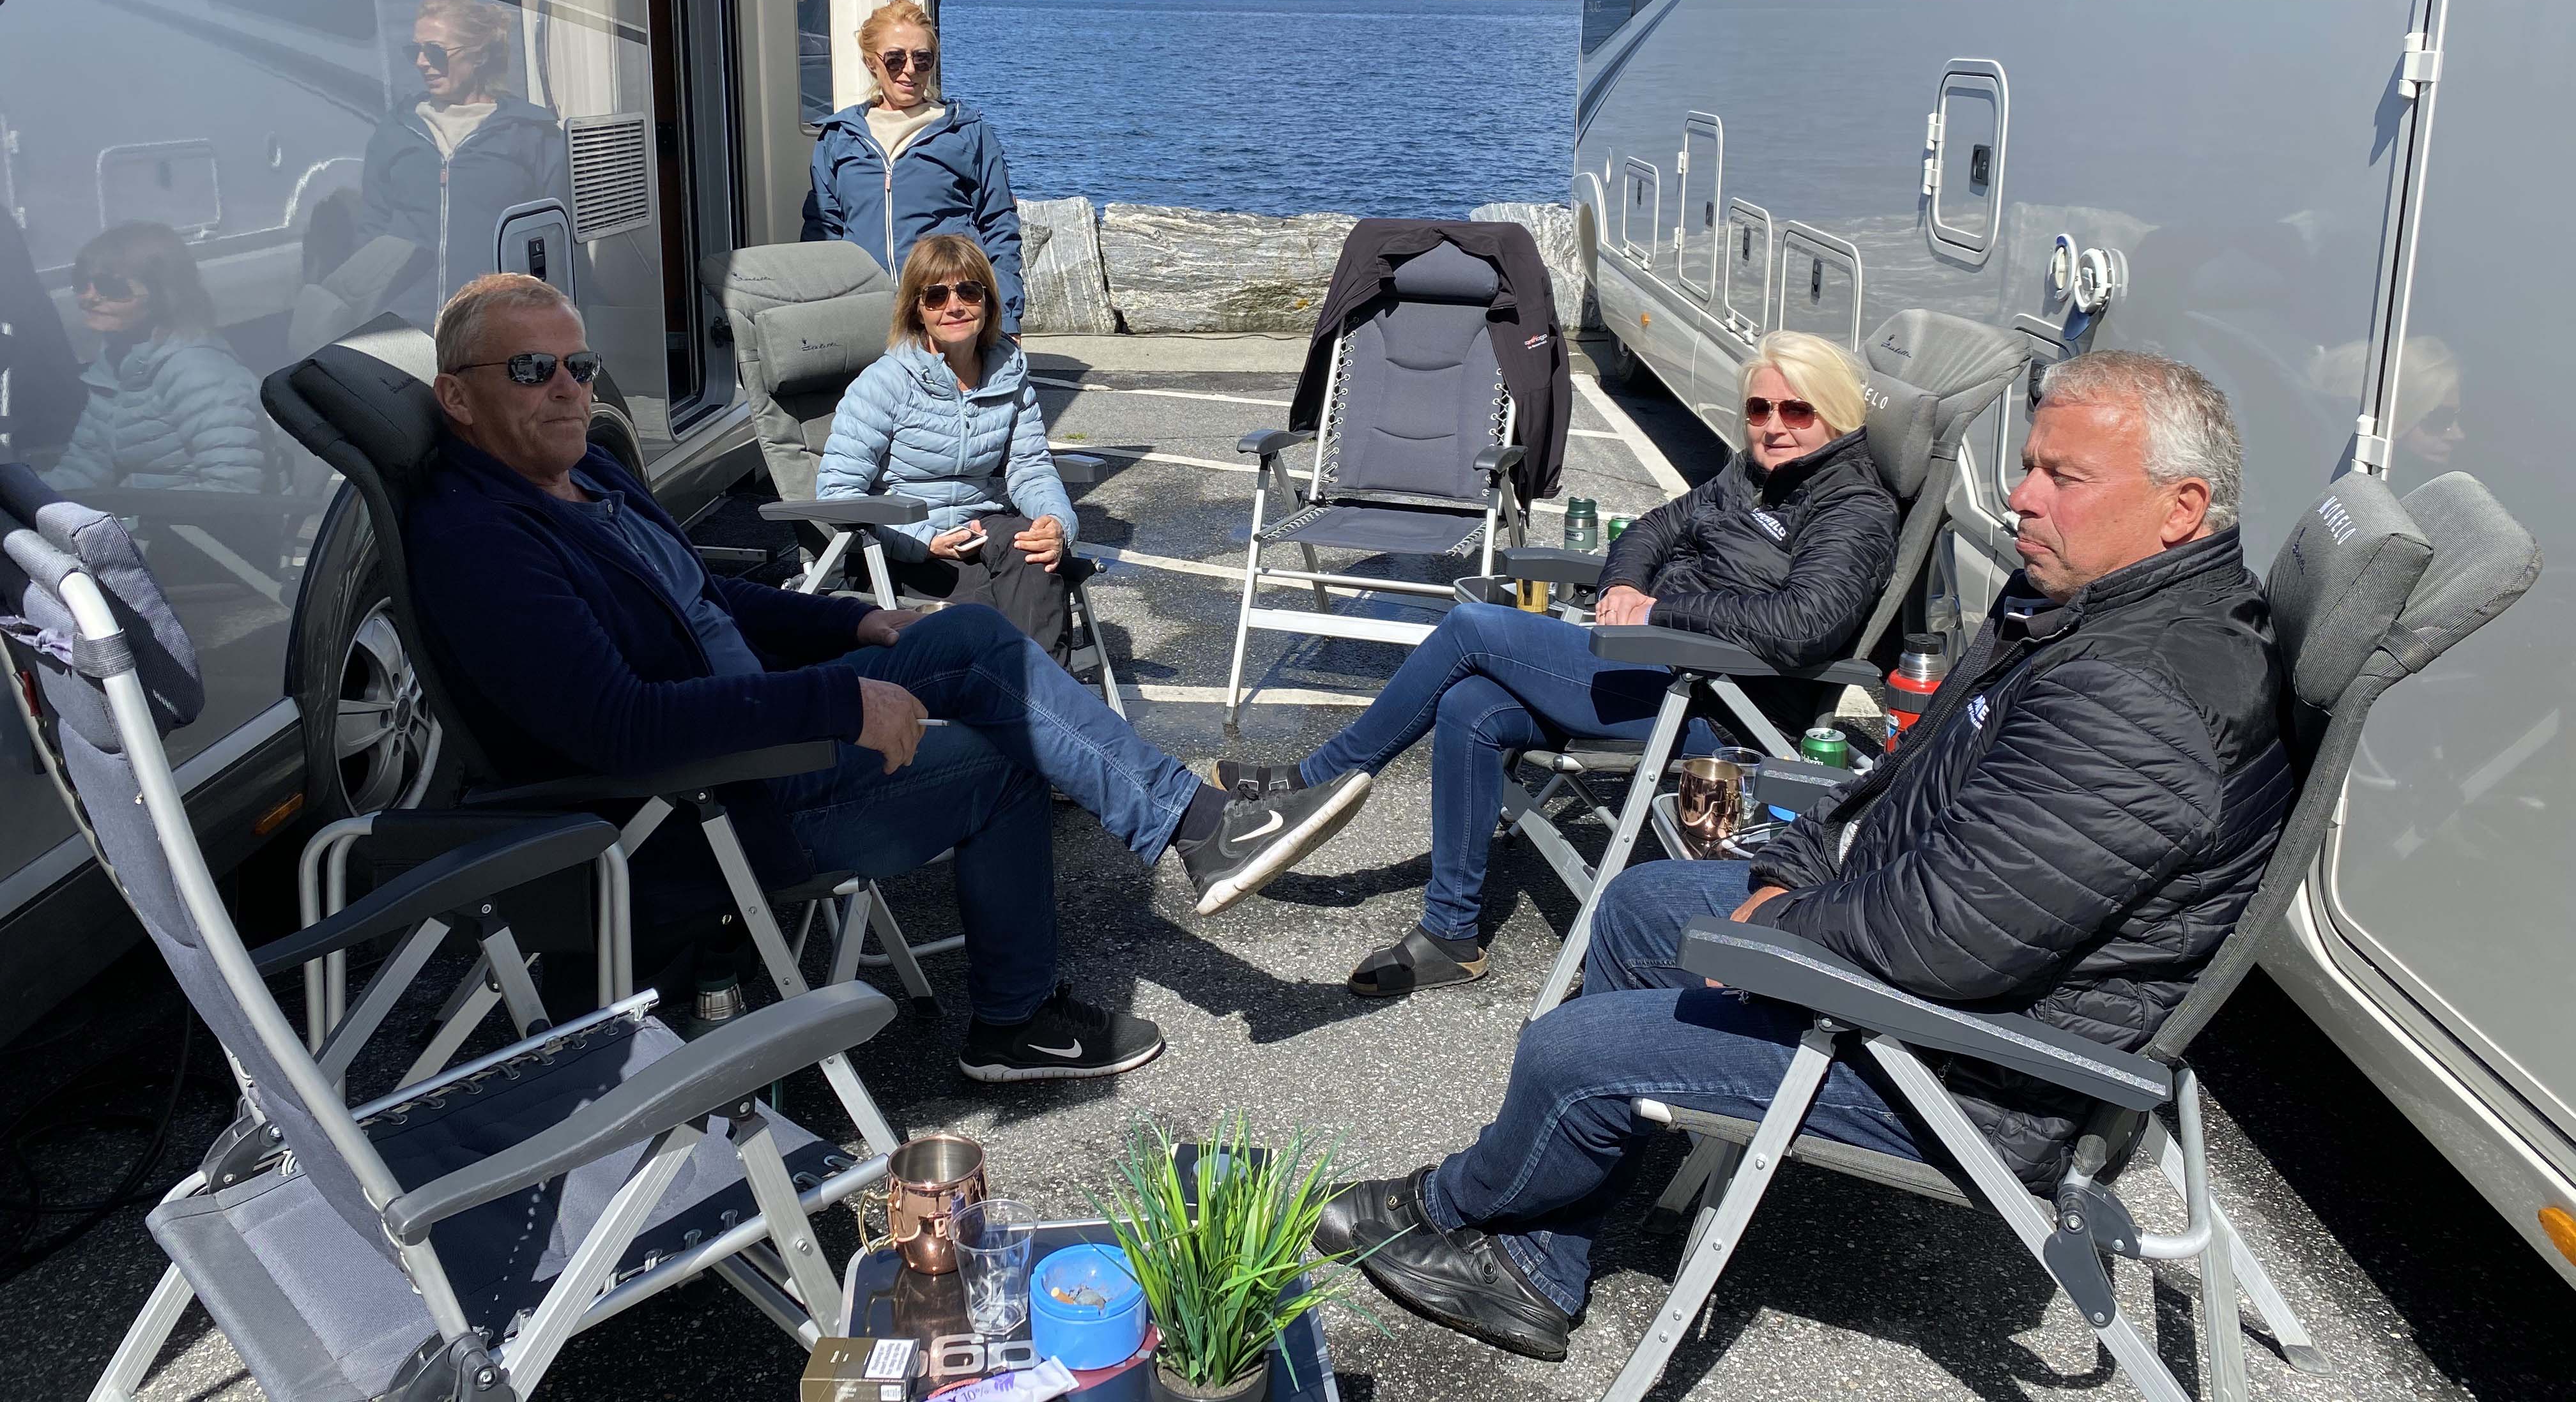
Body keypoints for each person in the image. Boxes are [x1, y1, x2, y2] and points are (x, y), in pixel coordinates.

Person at [1316, 353, 2292, 1362]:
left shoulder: (2139, 698)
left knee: (1571, 1055)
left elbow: (1952, 940)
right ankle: (1540, 1255)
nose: (2019, 495)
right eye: (2029, 464)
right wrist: (1800, 864)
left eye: (2062, 476)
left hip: (1976, 1073)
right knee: (1641, 904)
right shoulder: (2090, 608)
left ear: (2181, 508)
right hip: (1942, 960)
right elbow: (1909, 779)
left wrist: (1780, 921)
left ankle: (1457, 1203)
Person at [404, 273, 1371, 1083]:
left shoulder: (594, 481)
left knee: (965, 640)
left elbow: (716, 605)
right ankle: (1017, 1020)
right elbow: (618, 727)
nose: (569, 390)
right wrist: (835, 696)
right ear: (457, 396)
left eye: (579, 366)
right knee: (1008, 759)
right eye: (533, 370)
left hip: (756, 740)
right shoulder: (483, 540)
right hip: (709, 805)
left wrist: (861, 619)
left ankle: (1199, 828)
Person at [1225, 332, 1896, 998]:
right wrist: (1623, 589)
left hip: (1719, 706)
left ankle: (1314, 782)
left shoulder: (1853, 510)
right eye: (1759, 410)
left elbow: (1806, 626)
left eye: (1796, 411)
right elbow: (1653, 529)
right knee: (1472, 707)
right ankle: (1449, 935)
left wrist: (1661, 613)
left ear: (1835, 415)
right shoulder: (1750, 478)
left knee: (1470, 628)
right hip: (1657, 667)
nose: (1774, 427)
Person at [818, 234, 1078, 659]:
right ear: (918, 311)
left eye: (969, 291)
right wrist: (924, 539)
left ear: (989, 302)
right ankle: (1044, 705)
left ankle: (1038, 704)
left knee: (1032, 548)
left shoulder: (1007, 375)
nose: (954, 306)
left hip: (982, 536)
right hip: (905, 553)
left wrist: (1056, 524)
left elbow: (1030, 467)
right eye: (936, 295)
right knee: (999, 610)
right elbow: (837, 496)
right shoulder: (884, 385)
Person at [804, 0, 1027, 332]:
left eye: (922, 59)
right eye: (895, 59)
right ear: (871, 63)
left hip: (948, 314)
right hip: (867, 315)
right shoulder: (839, 138)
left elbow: (999, 228)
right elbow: (822, 233)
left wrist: (1007, 321)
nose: (909, 69)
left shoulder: (966, 132)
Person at [356, 0, 569, 325]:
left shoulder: (532, 133)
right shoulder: (395, 131)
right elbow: (370, 231)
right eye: (416, 50)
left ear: (479, 55)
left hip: (495, 326)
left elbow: (557, 244)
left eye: (435, 52)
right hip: (405, 325)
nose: (422, 63)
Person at [53, 222, 264, 495]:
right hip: (150, 520)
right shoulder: (115, 365)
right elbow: (83, 470)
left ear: (163, 294)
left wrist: (132, 516)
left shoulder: (197, 372)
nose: (89, 298)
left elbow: (233, 487)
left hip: (203, 531)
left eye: (111, 287)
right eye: (82, 283)